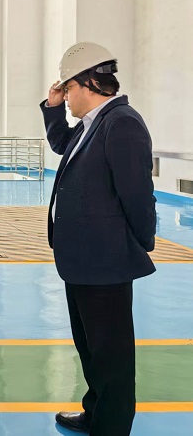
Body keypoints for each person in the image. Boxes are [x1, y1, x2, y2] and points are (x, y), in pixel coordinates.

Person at [41, 42, 156, 436]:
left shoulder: (121, 123)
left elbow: (137, 195)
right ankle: (95, 413)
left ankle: (112, 427)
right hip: (83, 262)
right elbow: (62, 145)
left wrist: (137, 244)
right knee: (91, 348)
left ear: (88, 84)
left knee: (112, 358)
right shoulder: (92, 124)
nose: (66, 96)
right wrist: (53, 107)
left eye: (68, 89)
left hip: (106, 263)